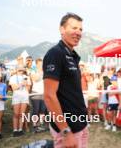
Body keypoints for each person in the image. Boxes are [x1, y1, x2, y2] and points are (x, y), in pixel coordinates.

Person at [43, 13, 88, 148]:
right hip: (68, 130)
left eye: (80, 29)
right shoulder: (55, 53)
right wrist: (65, 131)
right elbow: (49, 96)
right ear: (62, 29)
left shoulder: (72, 55)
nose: (78, 32)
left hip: (80, 125)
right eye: (74, 28)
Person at [9, 65, 31, 137]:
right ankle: (15, 130)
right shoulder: (12, 77)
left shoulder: (27, 77)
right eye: (19, 69)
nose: (21, 71)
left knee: (22, 114)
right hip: (16, 97)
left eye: (22, 69)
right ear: (16, 69)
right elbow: (14, 88)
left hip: (24, 96)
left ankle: (20, 129)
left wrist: (26, 85)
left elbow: (28, 89)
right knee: (16, 114)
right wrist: (21, 83)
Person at [30, 58, 47, 133]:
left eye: (42, 64)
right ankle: (34, 125)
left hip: (43, 93)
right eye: (40, 64)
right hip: (35, 93)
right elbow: (35, 79)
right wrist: (40, 72)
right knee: (36, 110)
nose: (41, 65)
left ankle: (40, 124)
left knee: (42, 110)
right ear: (36, 64)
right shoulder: (33, 71)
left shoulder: (45, 71)